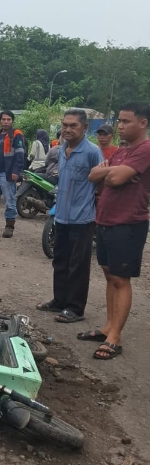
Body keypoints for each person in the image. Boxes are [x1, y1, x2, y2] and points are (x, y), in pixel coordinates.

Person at [85, 103, 150, 359]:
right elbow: (93, 175)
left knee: (121, 280)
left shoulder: (145, 150)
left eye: (126, 122)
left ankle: (115, 337)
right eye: (119, 121)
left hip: (129, 223)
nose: (120, 126)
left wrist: (108, 173)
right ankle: (108, 326)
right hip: (106, 220)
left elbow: (112, 179)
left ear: (142, 123)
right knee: (109, 275)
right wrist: (110, 172)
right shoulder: (122, 152)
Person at [36, 110, 103, 324]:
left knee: (78, 265)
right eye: (65, 125)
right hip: (62, 216)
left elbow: (101, 183)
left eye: (73, 125)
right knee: (60, 260)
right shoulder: (61, 149)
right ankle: (59, 300)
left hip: (83, 219)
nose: (67, 129)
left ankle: (75, 308)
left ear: (84, 128)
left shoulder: (92, 152)